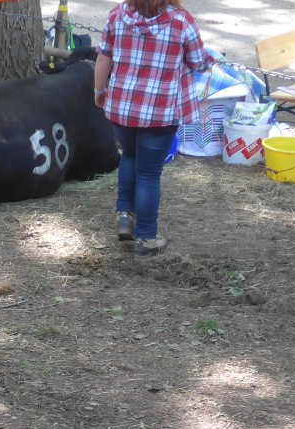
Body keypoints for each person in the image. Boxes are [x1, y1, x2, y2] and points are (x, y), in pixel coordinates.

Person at [94, 0, 214, 258]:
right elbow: (198, 62)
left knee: (129, 155)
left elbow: (104, 56)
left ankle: (125, 215)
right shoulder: (181, 20)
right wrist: (210, 60)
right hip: (161, 112)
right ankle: (147, 238)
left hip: (122, 107)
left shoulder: (117, 15)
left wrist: (99, 90)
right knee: (149, 174)